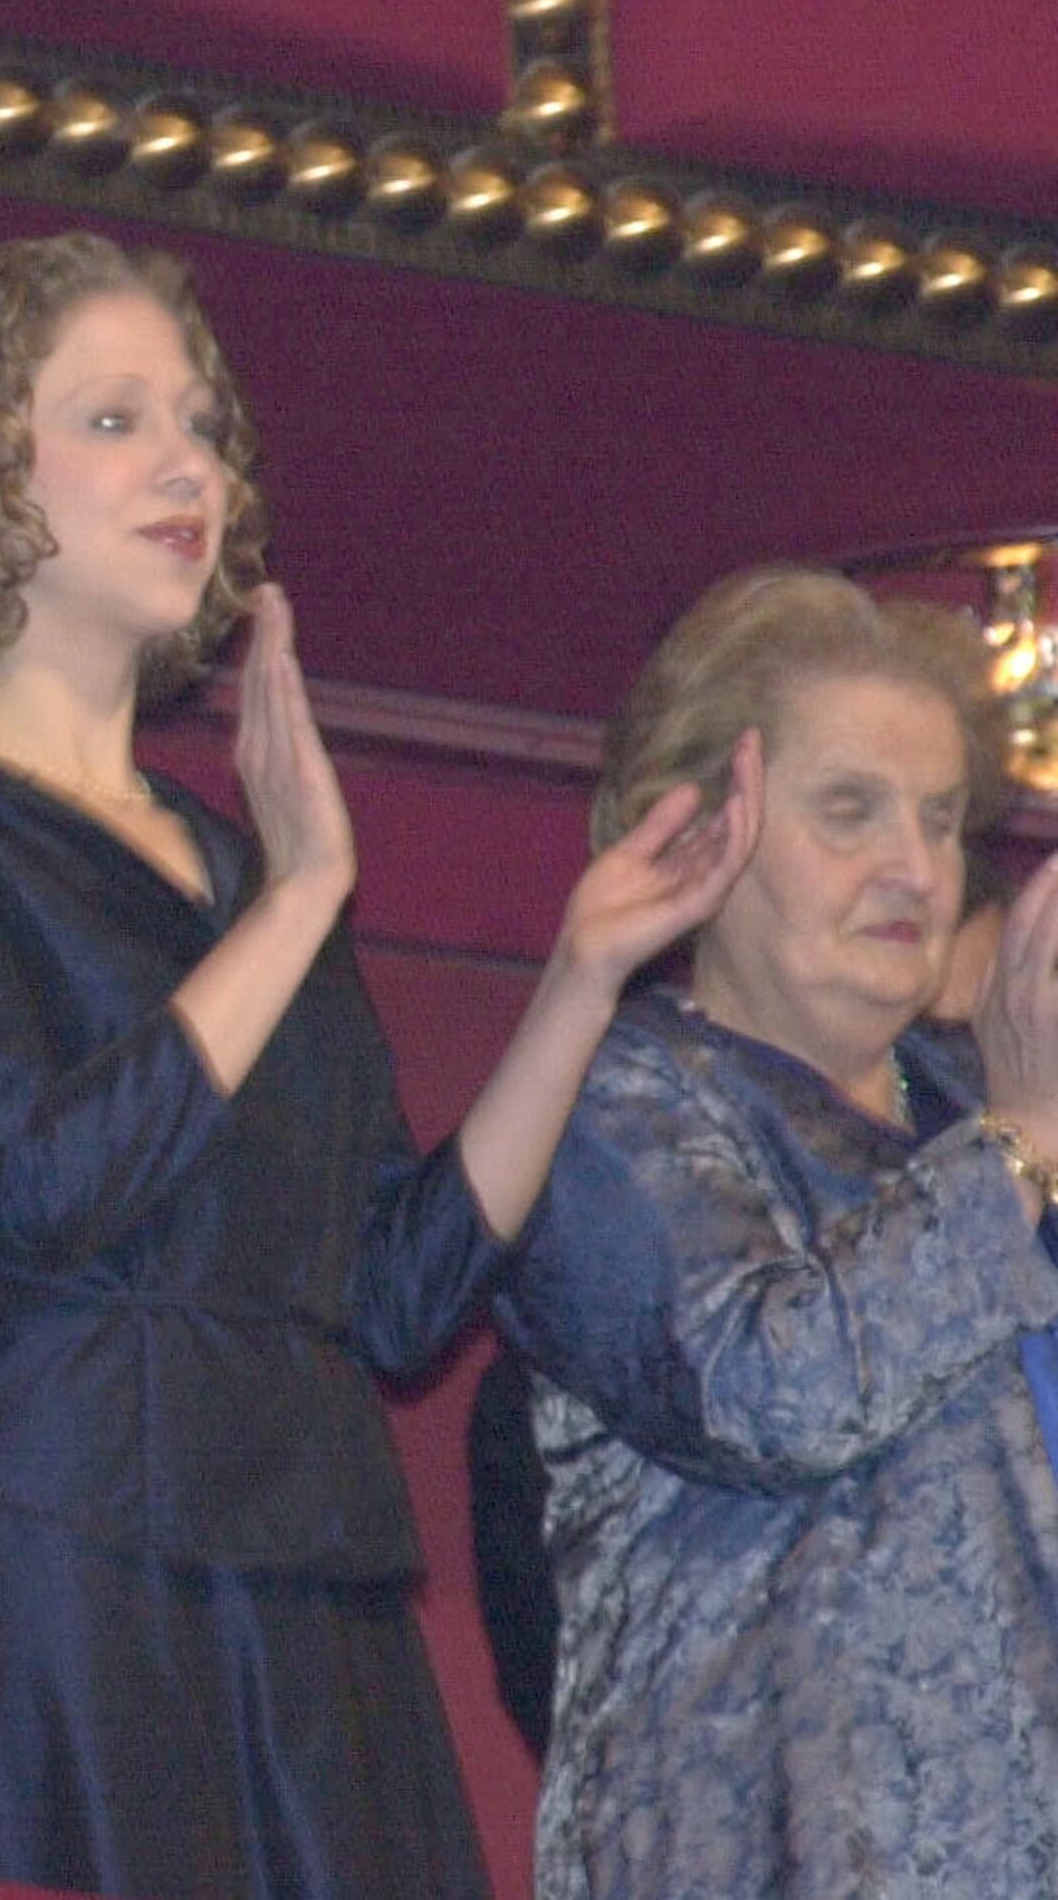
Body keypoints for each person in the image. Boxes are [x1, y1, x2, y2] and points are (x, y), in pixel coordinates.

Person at [0, 230, 749, 1898]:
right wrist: (305, 895)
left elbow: (391, 1287)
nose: (190, 465)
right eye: (114, 419)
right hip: (58, 1565)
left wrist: (584, 972)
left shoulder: (239, 872)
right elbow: (36, 1194)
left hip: (307, 1574)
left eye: (203, 423)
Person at [495, 567, 1058, 1897]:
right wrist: (1022, 1134)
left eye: (939, 818)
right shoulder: (610, 1101)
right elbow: (774, 1386)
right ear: (696, 835)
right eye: (849, 811)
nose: (915, 867)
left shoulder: (986, 1123)